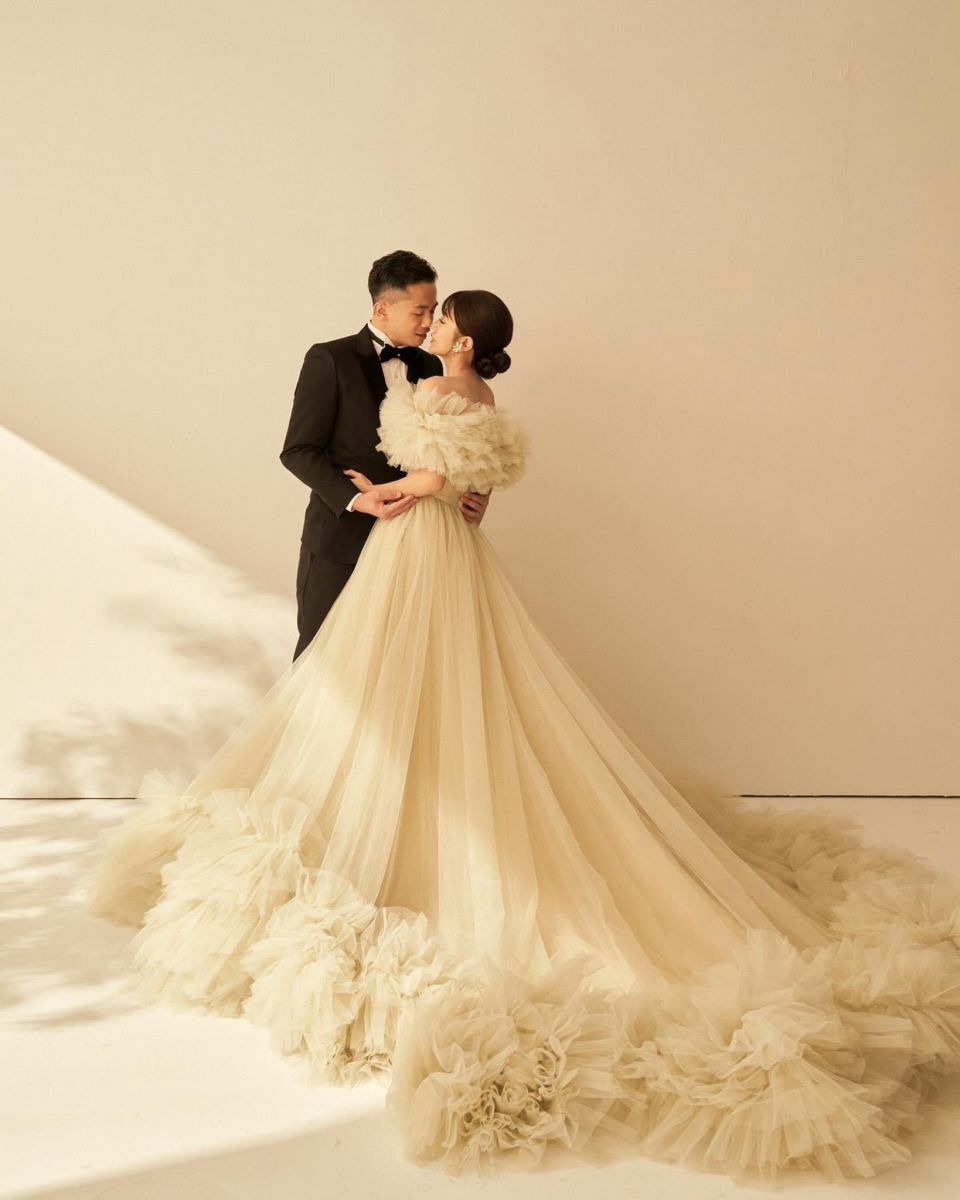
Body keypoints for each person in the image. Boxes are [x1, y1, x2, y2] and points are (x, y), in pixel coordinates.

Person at [85, 288, 960, 1184]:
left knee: (402, 677)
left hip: (413, 542)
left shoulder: (442, 387)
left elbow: (441, 480)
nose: (433, 324)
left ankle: (407, 799)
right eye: (428, 312)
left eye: (443, 317)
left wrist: (384, 492)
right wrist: (446, 494)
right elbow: (479, 482)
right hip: (446, 548)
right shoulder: (480, 392)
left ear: (462, 338)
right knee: (435, 677)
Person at [280, 250, 491, 660]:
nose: (429, 322)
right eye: (419, 312)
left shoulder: (433, 365)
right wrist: (359, 499)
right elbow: (298, 451)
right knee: (319, 663)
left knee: (398, 664)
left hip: (416, 545)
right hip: (342, 541)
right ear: (382, 309)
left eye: (433, 311)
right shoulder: (329, 358)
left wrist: (475, 492)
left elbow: (455, 445)